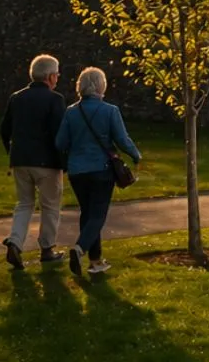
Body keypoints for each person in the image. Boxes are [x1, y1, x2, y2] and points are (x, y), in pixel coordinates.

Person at [54, 67, 140, 277]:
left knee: (88, 213)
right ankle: (80, 248)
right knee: (98, 214)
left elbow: (60, 143)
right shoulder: (110, 111)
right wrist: (136, 154)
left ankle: (96, 261)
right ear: (101, 86)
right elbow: (122, 139)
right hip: (101, 169)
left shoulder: (71, 112)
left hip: (77, 171)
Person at [0, 54, 68, 270]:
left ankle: (15, 242)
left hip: (20, 161)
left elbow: (4, 130)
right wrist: (64, 163)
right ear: (49, 76)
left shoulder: (16, 98)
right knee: (50, 206)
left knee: (24, 204)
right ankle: (47, 249)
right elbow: (60, 135)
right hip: (47, 162)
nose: (57, 78)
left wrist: (12, 154)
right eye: (56, 74)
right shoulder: (55, 100)